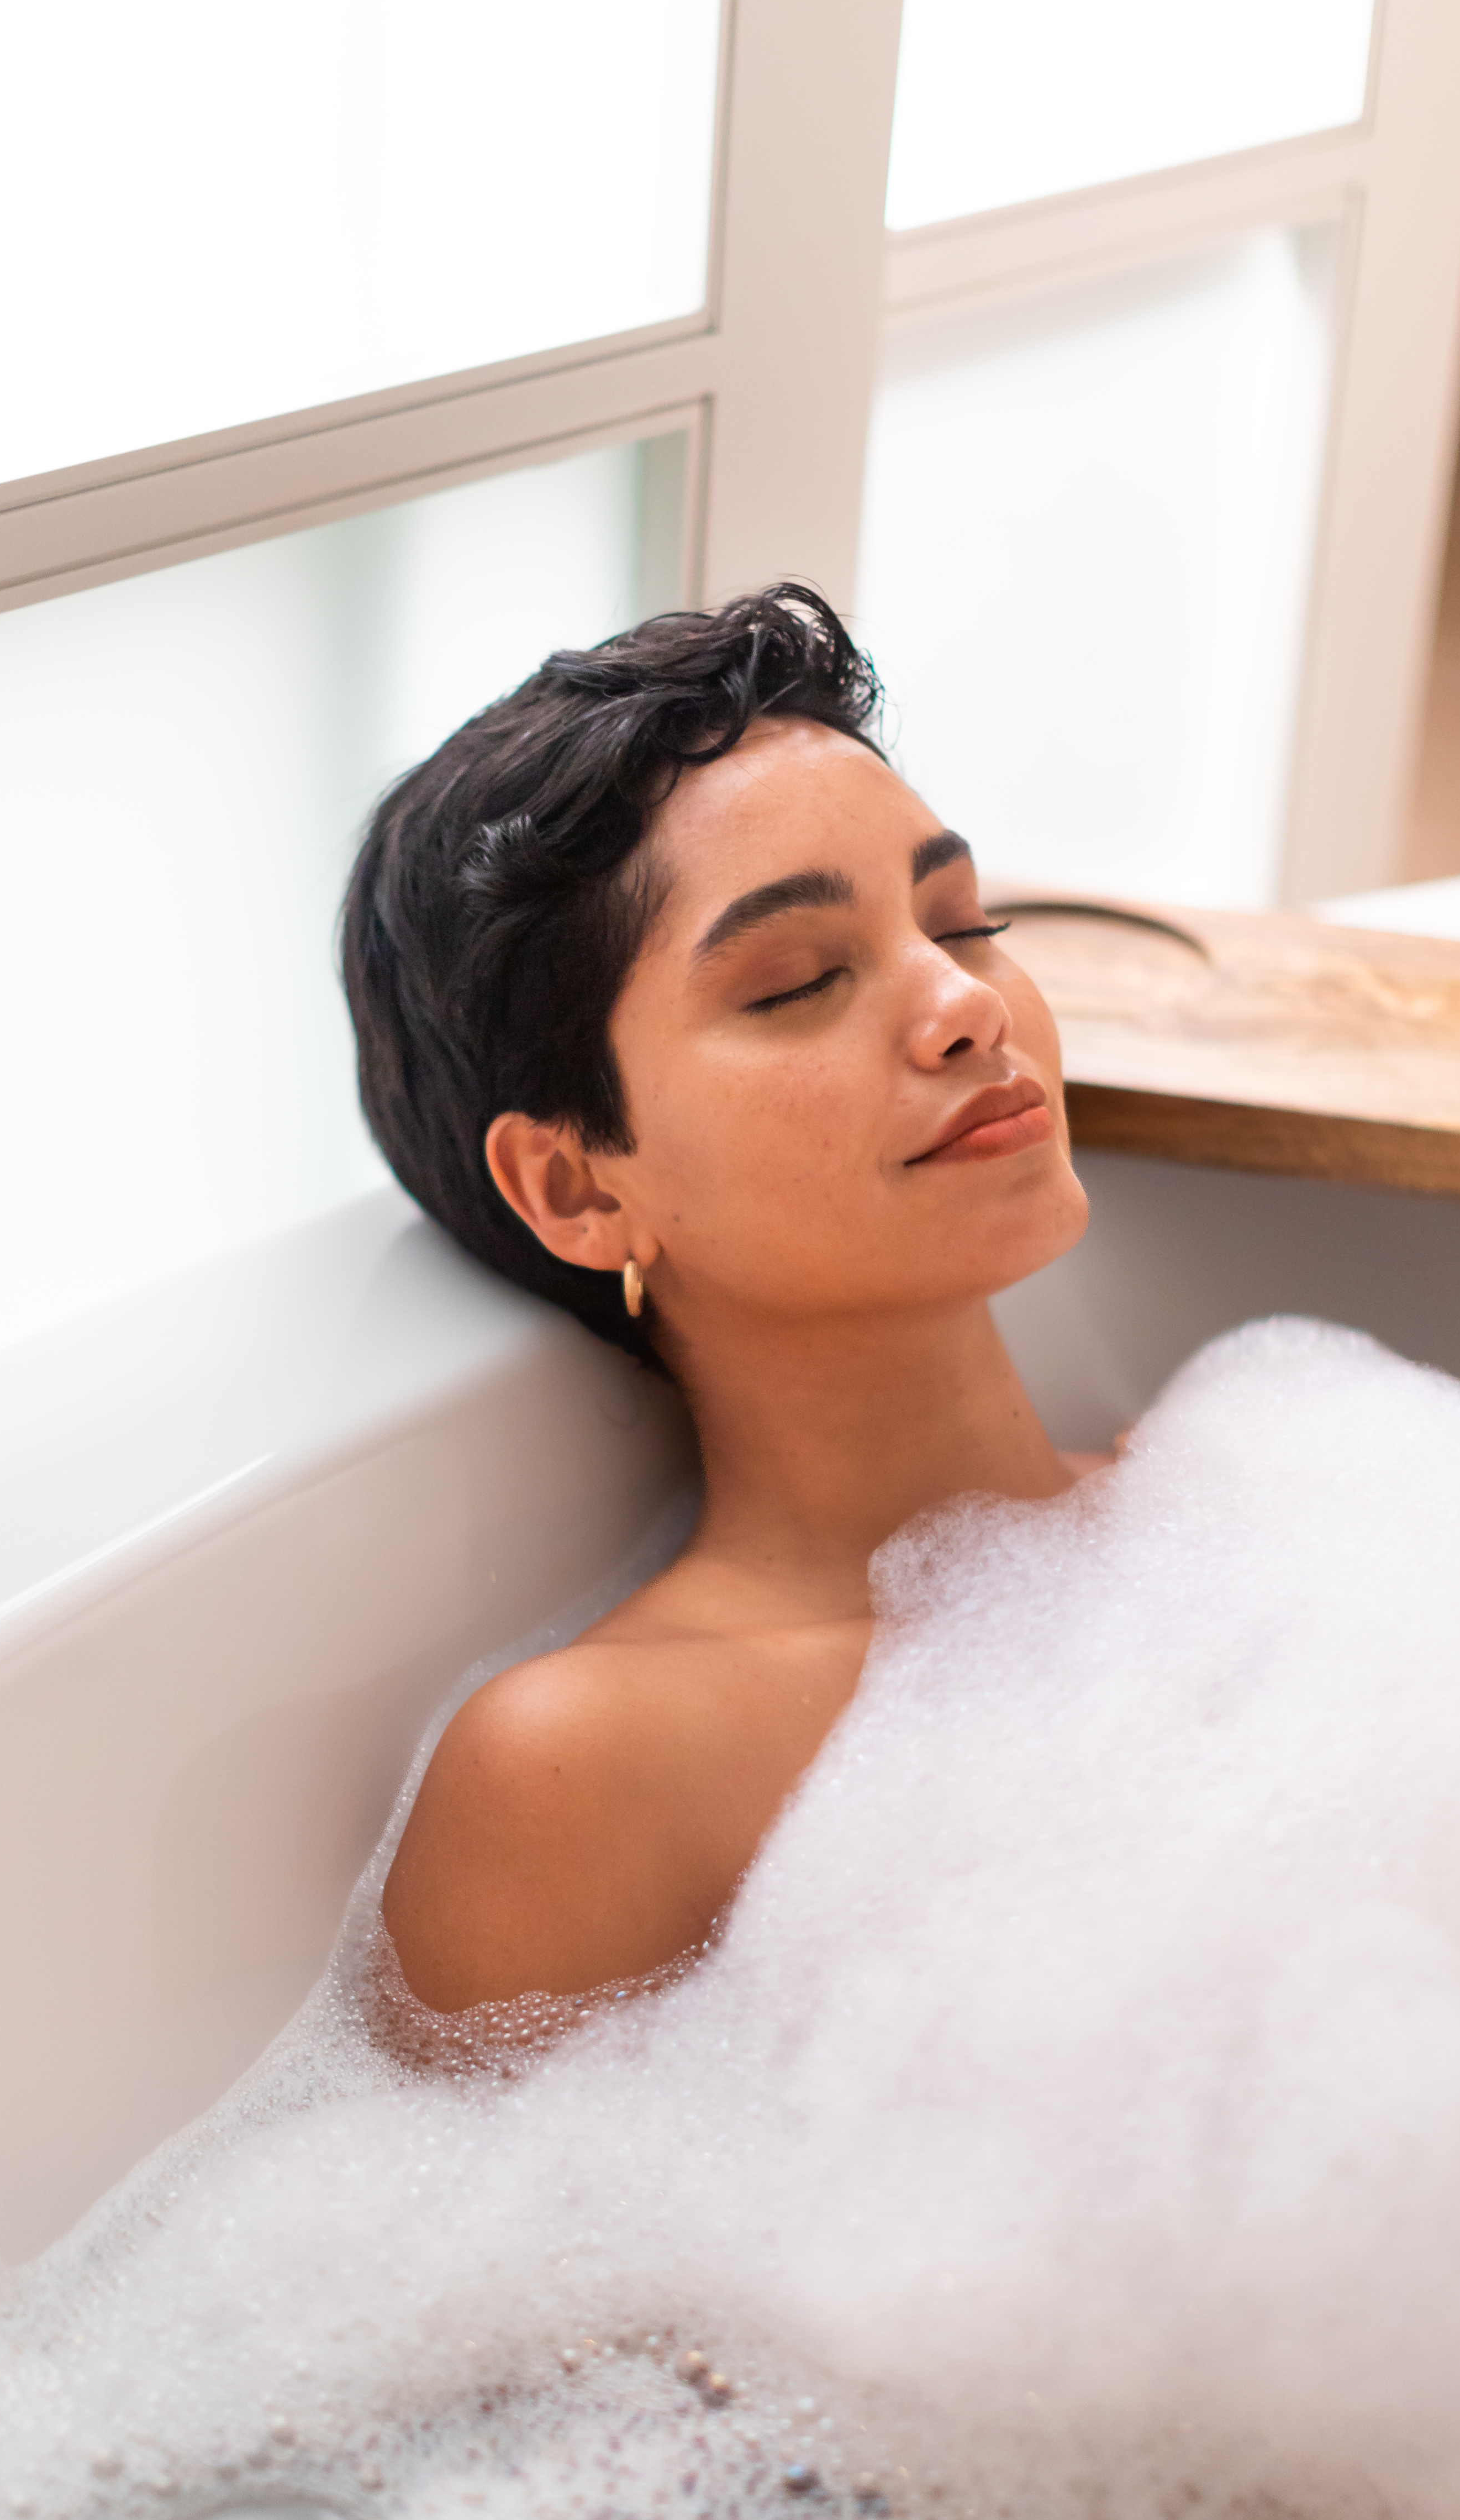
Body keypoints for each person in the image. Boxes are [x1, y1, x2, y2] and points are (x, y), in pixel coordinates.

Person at [341, 583, 1097, 2015]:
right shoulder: (586, 1767)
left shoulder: (1254, 1504)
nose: (966, 1005)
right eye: (800, 981)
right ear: (580, 1189)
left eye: (962, 921)